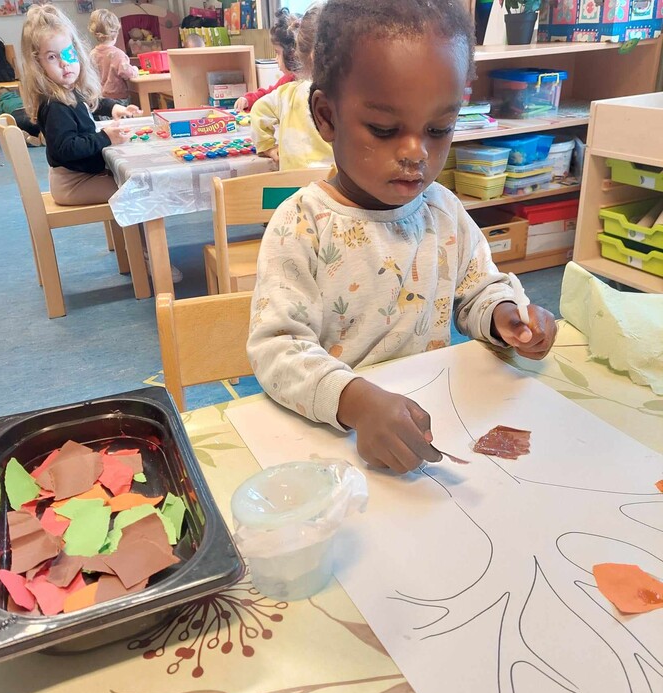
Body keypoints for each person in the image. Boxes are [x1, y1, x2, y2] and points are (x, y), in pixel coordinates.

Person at [246, 0, 557, 475]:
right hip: (335, 442)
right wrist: (355, 401)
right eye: (385, 129)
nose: (416, 153)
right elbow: (278, 349)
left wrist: (506, 316)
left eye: (439, 129)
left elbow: (478, 289)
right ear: (326, 116)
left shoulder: (444, 211)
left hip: (430, 420)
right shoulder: (301, 225)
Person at [20, 4, 139, 206]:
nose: (64, 63)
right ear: (38, 66)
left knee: (132, 182)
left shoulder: (69, 90)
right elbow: (65, 148)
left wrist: (114, 108)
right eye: (52, 57)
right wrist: (104, 137)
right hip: (72, 184)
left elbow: (92, 100)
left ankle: (135, 238)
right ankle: (143, 239)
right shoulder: (55, 104)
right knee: (136, 191)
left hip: (84, 176)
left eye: (68, 53)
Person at [250, 4, 333, 170]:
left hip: (292, 186)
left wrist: (267, 146)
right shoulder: (344, 96)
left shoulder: (286, 94)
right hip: (331, 183)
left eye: (277, 52)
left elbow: (258, 110)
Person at [233, 8, 298, 113]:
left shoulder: (303, 86)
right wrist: (248, 100)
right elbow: (268, 95)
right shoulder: (288, 79)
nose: (275, 58)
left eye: (277, 52)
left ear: (291, 54)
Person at [88, 9, 138, 102]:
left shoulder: (92, 54)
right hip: (118, 97)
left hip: (100, 99)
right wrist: (135, 70)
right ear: (115, 34)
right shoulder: (118, 54)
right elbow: (127, 73)